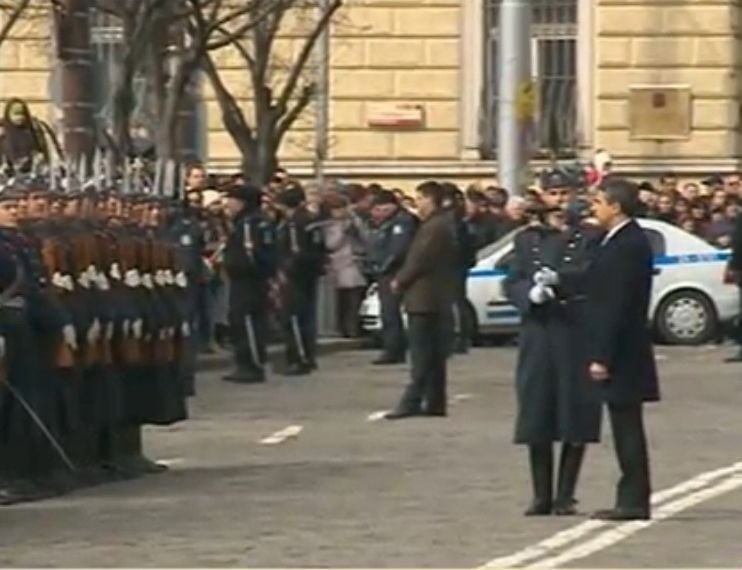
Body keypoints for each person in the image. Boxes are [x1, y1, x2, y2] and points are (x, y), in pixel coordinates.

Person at [503, 169, 604, 516]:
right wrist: (528, 295)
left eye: (565, 193)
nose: (560, 200)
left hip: (574, 330)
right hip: (539, 331)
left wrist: (562, 282)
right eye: (554, 193)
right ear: (542, 196)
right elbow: (512, 279)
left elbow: (594, 275)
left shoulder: (588, 236)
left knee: (574, 412)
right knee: (537, 411)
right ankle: (540, 494)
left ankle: (566, 494)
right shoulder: (526, 239)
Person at [586, 176, 660, 521]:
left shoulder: (627, 243)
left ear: (615, 206)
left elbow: (615, 304)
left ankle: (633, 499)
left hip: (623, 351)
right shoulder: (615, 240)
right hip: (624, 347)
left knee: (627, 427)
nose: (594, 207)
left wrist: (602, 355)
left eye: (599, 201)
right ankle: (631, 495)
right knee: (624, 424)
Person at [384, 181, 456, 420]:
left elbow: (420, 259)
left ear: (431, 199)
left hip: (424, 297)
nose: (418, 205)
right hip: (434, 297)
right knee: (434, 354)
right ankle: (435, 401)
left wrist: (400, 280)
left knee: (422, 353)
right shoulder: (440, 224)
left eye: (421, 199)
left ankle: (412, 400)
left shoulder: (434, 227)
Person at [221, 185, 276, 383]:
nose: (228, 204)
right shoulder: (256, 221)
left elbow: (251, 252)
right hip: (252, 278)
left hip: (248, 279)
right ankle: (246, 362)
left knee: (247, 321)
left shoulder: (249, 223)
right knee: (246, 319)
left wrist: (240, 267)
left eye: (232, 199)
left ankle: (252, 364)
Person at [274, 184, 326, 376]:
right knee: (307, 317)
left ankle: (299, 358)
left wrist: (285, 270)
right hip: (310, 272)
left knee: (294, 317)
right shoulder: (311, 221)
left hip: (295, 275)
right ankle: (308, 355)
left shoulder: (294, 223)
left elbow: (296, 251)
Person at [368, 190, 416, 365]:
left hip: (394, 272)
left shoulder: (402, 222)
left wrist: (383, 267)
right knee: (388, 312)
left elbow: (398, 249)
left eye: (379, 208)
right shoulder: (385, 223)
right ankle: (394, 347)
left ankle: (393, 349)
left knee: (390, 311)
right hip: (387, 271)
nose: (376, 212)